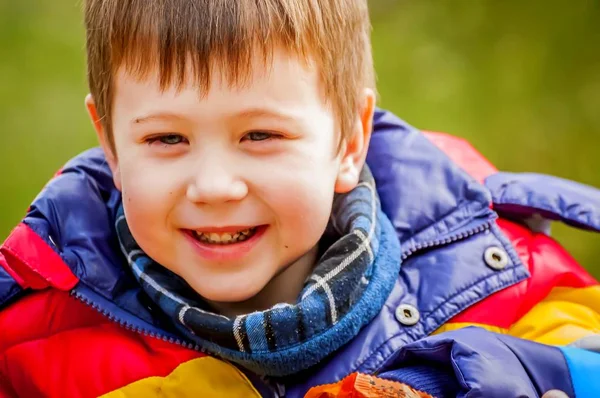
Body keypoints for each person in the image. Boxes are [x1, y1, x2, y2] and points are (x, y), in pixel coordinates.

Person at [1, 1, 600, 397]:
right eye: (166, 138)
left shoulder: (497, 280)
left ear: (349, 140)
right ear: (109, 143)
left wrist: (495, 377)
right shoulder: (37, 342)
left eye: (260, 135)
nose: (213, 187)